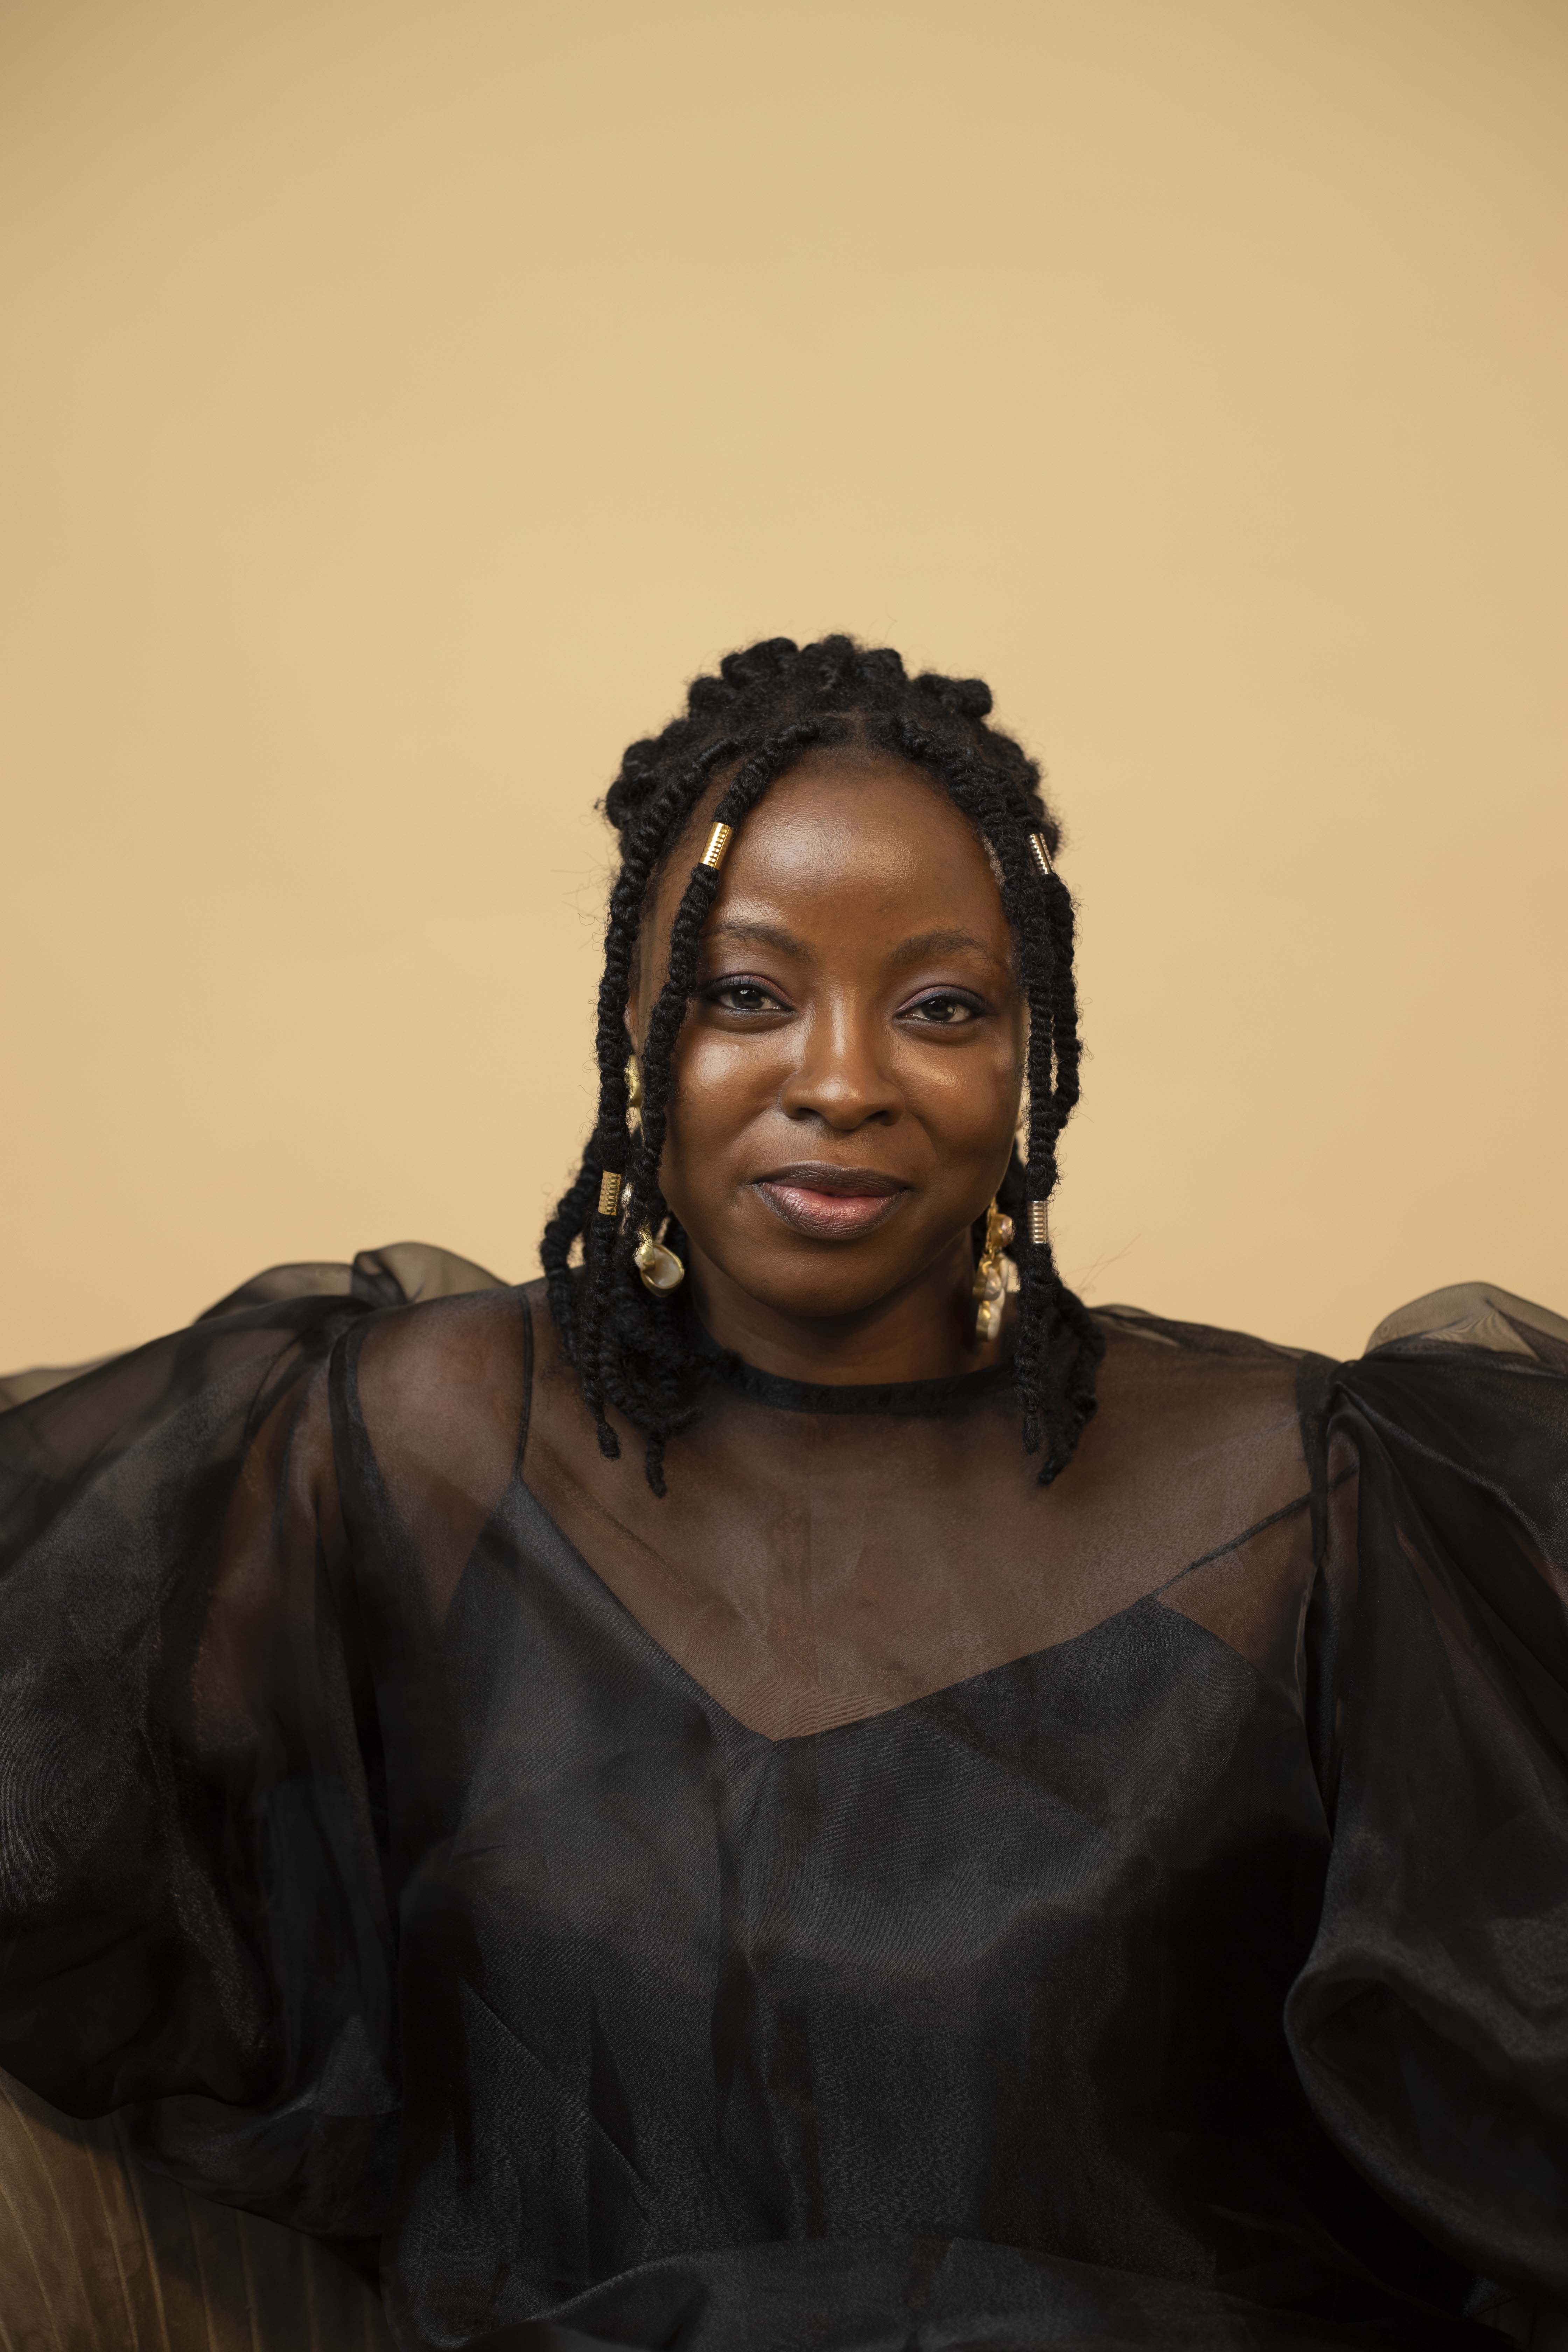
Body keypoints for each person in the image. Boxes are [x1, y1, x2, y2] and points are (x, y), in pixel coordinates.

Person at [1, 635, 1564, 2352]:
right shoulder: (408, 1443)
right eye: (744, 994)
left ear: (1030, 1052)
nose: (839, 1080)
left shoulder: (1298, 1500)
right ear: (634, 1027)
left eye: (941, 1007)